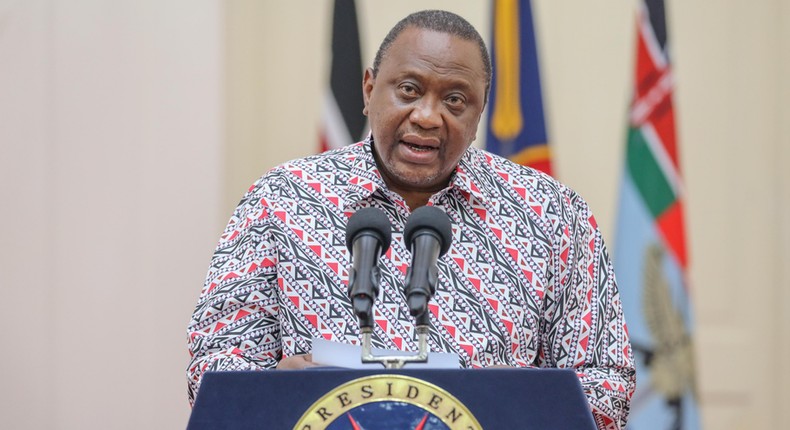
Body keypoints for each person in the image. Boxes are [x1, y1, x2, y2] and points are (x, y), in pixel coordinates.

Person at [187, 9, 635, 429]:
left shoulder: (553, 215)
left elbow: (608, 385)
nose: (426, 116)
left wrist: (505, 399)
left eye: (455, 100)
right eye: (408, 90)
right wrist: (276, 391)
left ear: (479, 114)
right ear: (368, 90)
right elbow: (214, 368)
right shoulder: (283, 199)